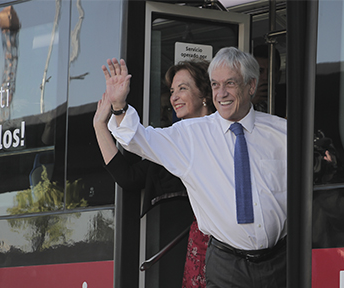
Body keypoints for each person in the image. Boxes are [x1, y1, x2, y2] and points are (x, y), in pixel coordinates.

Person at [102, 47, 287, 287]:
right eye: (215, 84)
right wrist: (119, 105)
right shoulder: (190, 136)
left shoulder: (282, 132)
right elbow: (138, 139)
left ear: (251, 86)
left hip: (281, 262)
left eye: (230, 83)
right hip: (227, 265)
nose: (221, 94)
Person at [93, 60, 214, 287]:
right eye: (172, 91)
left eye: (183, 88)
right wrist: (101, 124)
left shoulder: (223, 134)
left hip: (226, 253)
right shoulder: (170, 141)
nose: (174, 97)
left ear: (205, 93)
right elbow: (128, 176)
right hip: (182, 249)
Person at [252, 45, 286, 118]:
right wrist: (250, 102)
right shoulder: (240, 101)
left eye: (272, 71)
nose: (265, 77)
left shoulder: (288, 103)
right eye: (260, 71)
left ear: (279, 75)